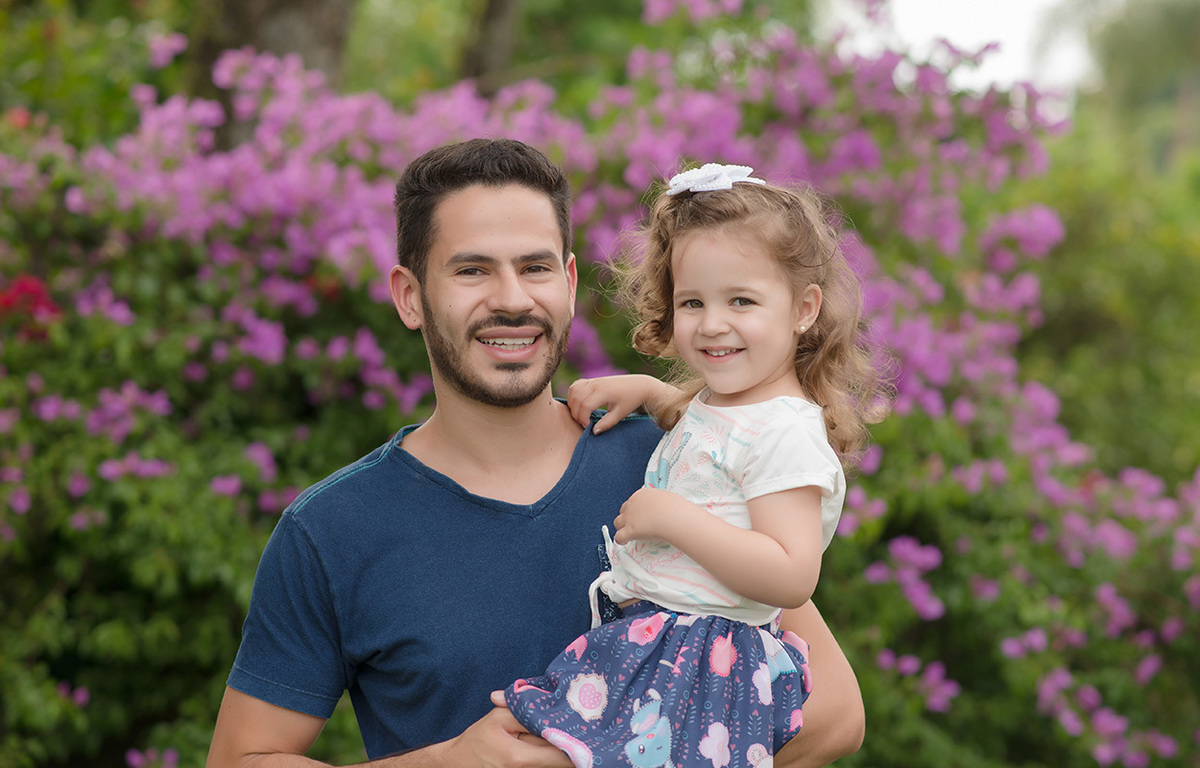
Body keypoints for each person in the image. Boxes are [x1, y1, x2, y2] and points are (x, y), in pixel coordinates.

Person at [206, 140, 865, 768]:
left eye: (536, 267)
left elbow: (833, 713)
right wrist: (451, 762)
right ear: (411, 296)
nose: (513, 300)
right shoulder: (331, 531)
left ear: (570, 283)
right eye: (472, 271)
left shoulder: (670, 462)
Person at [503, 163, 888, 767]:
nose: (713, 324)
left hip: (713, 661)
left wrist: (674, 521)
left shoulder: (786, 431)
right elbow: (715, 449)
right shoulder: (730, 407)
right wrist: (650, 393)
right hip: (668, 640)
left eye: (742, 300)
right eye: (692, 302)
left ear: (803, 308)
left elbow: (791, 575)